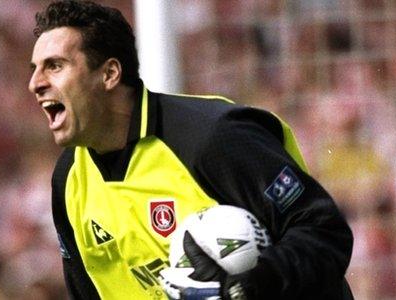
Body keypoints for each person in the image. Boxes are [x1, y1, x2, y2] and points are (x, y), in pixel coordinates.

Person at [27, 1, 354, 299]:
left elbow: (324, 231)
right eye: (35, 69)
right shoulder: (69, 182)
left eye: (55, 66)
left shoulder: (214, 138)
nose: (36, 83)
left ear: (110, 74)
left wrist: (249, 284)